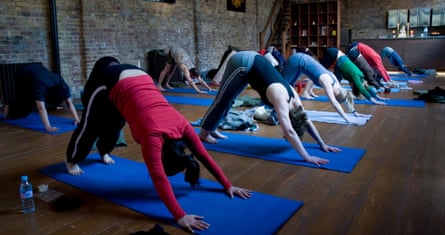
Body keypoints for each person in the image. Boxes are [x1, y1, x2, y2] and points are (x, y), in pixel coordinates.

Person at [67, 60, 252, 233]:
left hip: (140, 77)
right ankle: (71, 159)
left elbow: (204, 156)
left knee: (116, 124)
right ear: (163, 155)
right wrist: (180, 216)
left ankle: (103, 151)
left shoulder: (183, 125)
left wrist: (228, 186)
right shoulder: (152, 137)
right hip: (111, 78)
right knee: (90, 124)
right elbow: (158, 177)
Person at [199, 50, 342, 166]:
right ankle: (204, 133)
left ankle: (212, 127)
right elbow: (290, 131)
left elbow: (306, 120)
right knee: (222, 100)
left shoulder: (296, 102)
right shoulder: (281, 99)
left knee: (229, 101)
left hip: (253, 66)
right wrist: (307, 157)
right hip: (242, 62)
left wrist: (322, 144)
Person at [65, 56, 125, 176]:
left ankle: (104, 151)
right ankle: (72, 160)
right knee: (90, 128)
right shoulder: (96, 84)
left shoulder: (128, 79)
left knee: (115, 127)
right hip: (96, 95)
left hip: (116, 95)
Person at [282, 51, 363, 124]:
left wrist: (354, 112)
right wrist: (347, 119)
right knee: (283, 86)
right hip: (296, 60)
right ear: (335, 93)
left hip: (301, 60)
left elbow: (345, 98)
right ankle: (273, 108)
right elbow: (334, 103)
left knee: (289, 87)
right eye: (335, 95)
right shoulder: (327, 82)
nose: (333, 95)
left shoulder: (337, 84)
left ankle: (283, 108)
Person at [3, 63, 80, 133]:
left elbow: (69, 103)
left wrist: (77, 119)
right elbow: (41, 108)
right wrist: (48, 127)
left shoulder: (62, 85)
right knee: (25, 106)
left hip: (39, 69)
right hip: (23, 74)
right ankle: (8, 107)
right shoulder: (40, 85)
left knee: (36, 103)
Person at [320, 48, 388, 105]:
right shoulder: (356, 78)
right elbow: (362, 88)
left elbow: (367, 87)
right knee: (323, 68)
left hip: (342, 57)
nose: (350, 85)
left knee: (335, 80)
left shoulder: (360, 76)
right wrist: (374, 101)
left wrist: (378, 97)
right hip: (336, 56)